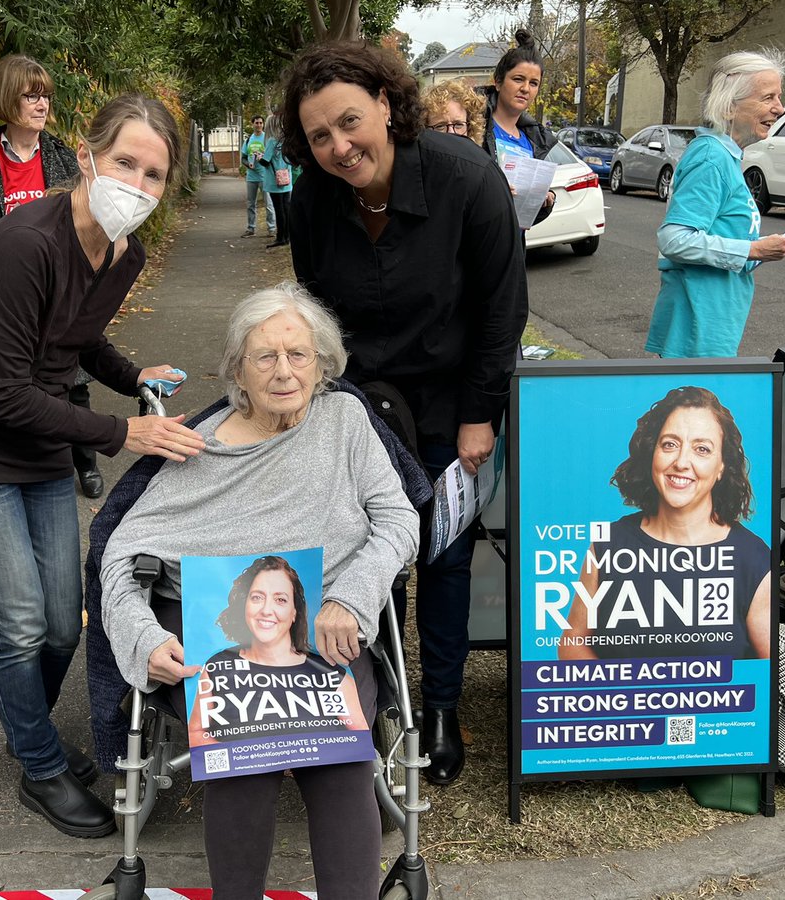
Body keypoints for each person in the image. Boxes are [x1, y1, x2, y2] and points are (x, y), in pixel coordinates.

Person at [0, 93, 206, 838]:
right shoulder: (24, 242)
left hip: (41, 438)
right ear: (86, 156)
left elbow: (75, 338)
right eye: (124, 164)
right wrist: (124, 430)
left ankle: (27, 732)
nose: (137, 186)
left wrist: (136, 375)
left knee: (63, 626)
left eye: (153, 174)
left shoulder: (124, 252)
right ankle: (40, 766)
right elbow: (3, 390)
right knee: (18, 624)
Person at [100, 283, 419, 899]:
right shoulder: (199, 449)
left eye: (299, 355)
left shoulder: (346, 421)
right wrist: (142, 638)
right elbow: (119, 550)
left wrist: (351, 596)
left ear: (322, 364)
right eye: (264, 357)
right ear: (236, 371)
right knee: (241, 767)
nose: (284, 372)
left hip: (325, 624)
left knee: (344, 763)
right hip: (217, 636)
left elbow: (399, 519)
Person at [282, 40, 528, 786]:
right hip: (360, 410)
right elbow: (315, 310)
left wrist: (480, 416)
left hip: (453, 405)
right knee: (366, 556)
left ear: (388, 104)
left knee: (444, 558)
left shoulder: (468, 181)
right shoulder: (314, 198)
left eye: (349, 122)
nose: (339, 146)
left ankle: (442, 706)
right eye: (319, 135)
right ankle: (378, 698)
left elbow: (501, 310)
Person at [0, 54, 105, 498]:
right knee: (20, 383)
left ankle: (86, 462)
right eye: (30, 95)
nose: (41, 104)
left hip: (58, 287)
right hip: (8, 292)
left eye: (45, 96)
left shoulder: (59, 156)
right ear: (6, 98)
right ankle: (17, 462)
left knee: (71, 380)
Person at [560, 386, 772, 661]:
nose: (682, 462)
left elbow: (768, 675)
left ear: (722, 466)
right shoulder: (608, 544)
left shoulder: (752, 559)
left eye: (702, 449)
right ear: (652, 453)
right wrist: (623, 700)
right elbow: (572, 644)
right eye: (669, 444)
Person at [645, 49, 785, 359]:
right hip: (696, 329)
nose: (780, 108)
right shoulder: (711, 157)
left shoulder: (725, 157)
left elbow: (723, 237)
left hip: (712, 324)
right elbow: (674, 239)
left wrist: (762, 249)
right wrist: (754, 249)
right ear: (729, 108)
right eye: (768, 97)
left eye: (778, 97)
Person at [187, 556, 366, 745]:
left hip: (325, 759)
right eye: (257, 597)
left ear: (295, 611)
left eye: (280, 600)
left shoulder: (330, 673)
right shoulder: (218, 668)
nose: (266, 610)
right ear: (244, 605)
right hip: (243, 764)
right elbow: (197, 733)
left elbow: (358, 739)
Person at [479, 30, 556, 225]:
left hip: (514, 249)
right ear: (498, 82)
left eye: (533, 83)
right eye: (518, 79)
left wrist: (543, 202)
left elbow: (521, 217)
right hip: (474, 246)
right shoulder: (474, 127)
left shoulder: (534, 140)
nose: (525, 89)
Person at [257, 114, 293, 248]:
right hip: (286, 180)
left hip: (274, 181)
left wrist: (258, 157)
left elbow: (265, 161)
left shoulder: (272, 141)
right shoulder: (286, 141)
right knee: (287, 209)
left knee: (279, 210)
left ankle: (280, 237)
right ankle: (288, 236)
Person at [241, 114, 277, 237]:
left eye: (261, 123)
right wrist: (248, 165)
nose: (259, 125)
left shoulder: (267, 138)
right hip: (251, 177)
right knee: (251, 203)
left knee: (269, 203)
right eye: (256, 123)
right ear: (253, 124)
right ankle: (251, 228)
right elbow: (243, 158)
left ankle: (271, 228)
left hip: (264, 176)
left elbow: (271, 156)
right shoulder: (248, 140)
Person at [422, 79, 486, 147]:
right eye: (440, 126)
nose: (451, 132)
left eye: (458, 124)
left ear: (470, 128)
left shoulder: (479, 156)